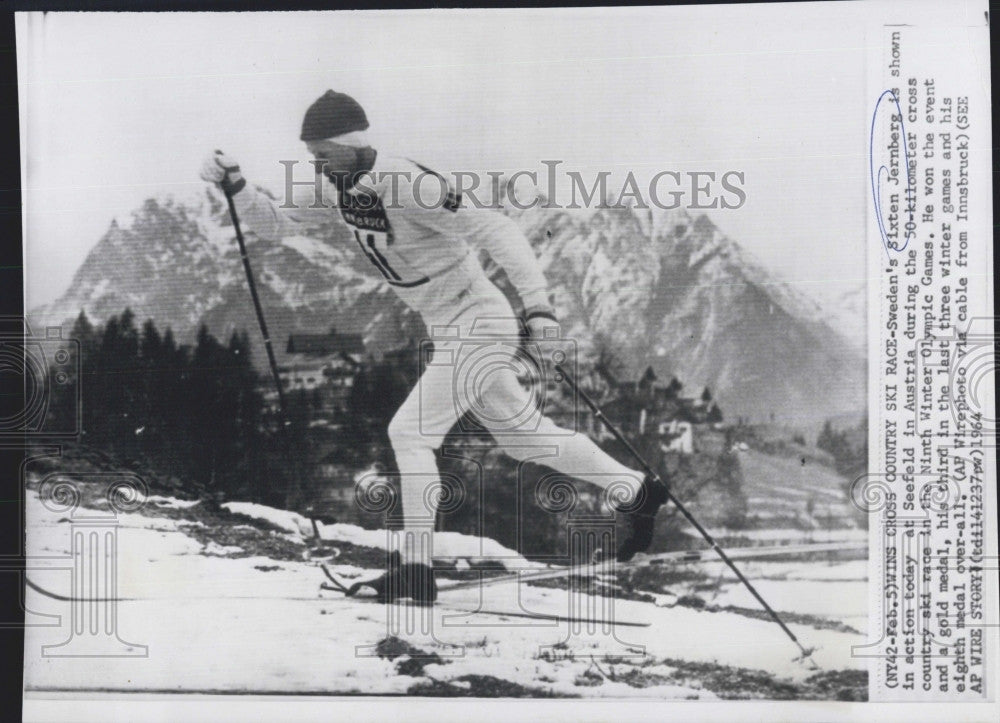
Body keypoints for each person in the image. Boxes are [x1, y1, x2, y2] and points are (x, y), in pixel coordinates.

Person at [200, 90, 667, 602]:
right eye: (312, 155)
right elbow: (276, 221)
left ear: (352, 143)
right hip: (449, 326)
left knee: (410, 432)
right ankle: (637, 492)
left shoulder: (407, 183)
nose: (318, 164)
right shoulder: (335, 184)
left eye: (324, 152)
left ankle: (415, 570)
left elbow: (499, 229)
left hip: (481, 319)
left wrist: (540, 309)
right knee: (524, 437)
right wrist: (238, 186)